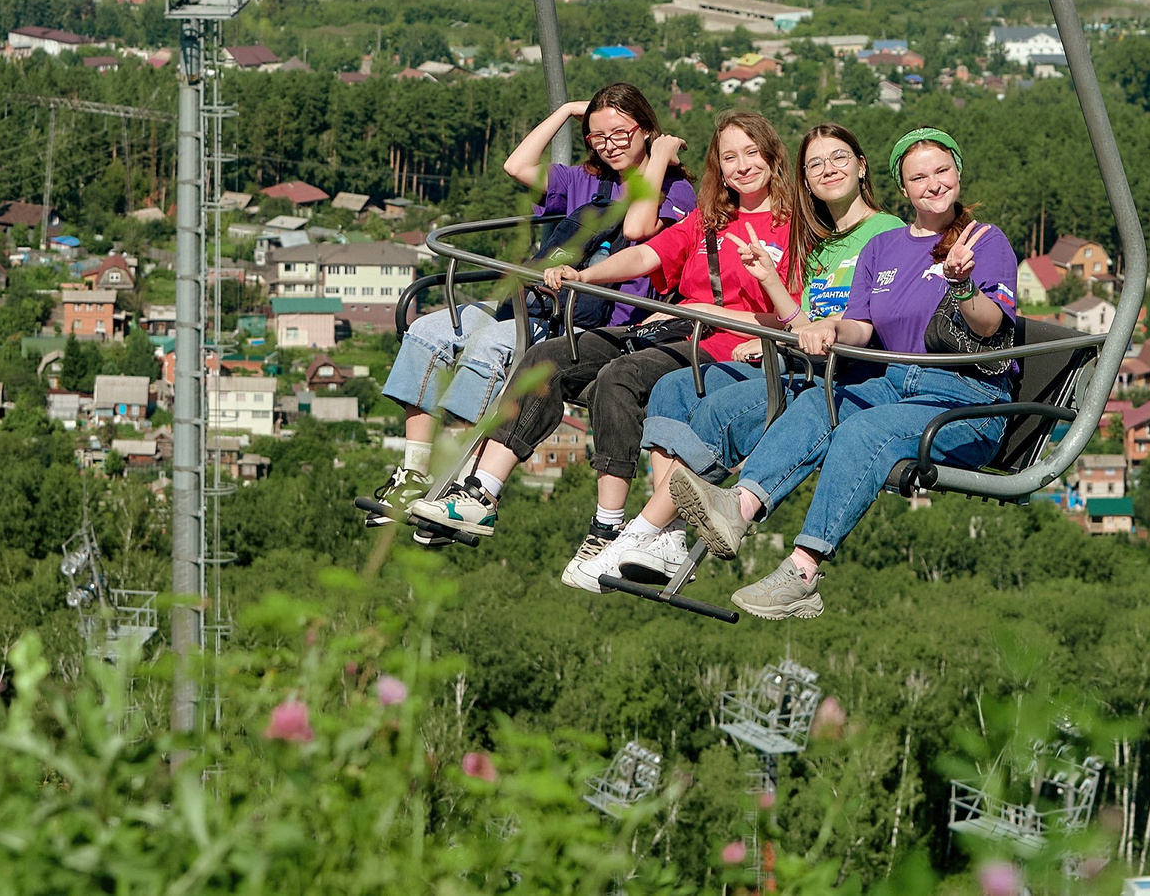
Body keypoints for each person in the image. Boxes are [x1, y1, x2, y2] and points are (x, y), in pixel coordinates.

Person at [416, 109, 810, 591]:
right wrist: (585, 275)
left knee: (620, 377)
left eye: (751, 153)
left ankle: (608, 524)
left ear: (772, 157)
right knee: (550, 357)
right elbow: (646, 254)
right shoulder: (710, 220)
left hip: (723, 346)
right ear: (718, 168)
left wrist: (716, 316)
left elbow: (795, 317)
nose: (742, 166)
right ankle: (482, 492)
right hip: (671, 329)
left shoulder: (795, 230)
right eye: (729, 157)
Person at [668, 128, 1020, 620]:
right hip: (894, 384)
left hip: (965, 398)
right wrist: (830, 328)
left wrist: (961, 286)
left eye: (941, 171)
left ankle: (803, 571)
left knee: (862, 430)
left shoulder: (985, 240)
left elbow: (992, 324)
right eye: (919, 176)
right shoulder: (885, 248)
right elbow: (861, 326)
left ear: (958, 173)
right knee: (819, 402)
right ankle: (739, 508)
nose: (933, 184)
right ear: (903, 187)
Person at [581, 124, 901, 586]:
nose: (828, 170)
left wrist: (785, 330)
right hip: (790, 355)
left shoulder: (880, 236)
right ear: (805, 179)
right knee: (672, 386)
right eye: (816, 164)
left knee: (714, 411)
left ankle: (641, 533)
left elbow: (864, 322)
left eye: (838, 159)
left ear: (861, 165)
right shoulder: (822, 240)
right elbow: (800, 314)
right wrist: (779, 325)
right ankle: (666, 536)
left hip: (830, 374)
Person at [363, 85, 690, 533]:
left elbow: (639, 227)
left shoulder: (674, 191)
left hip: (591, 322)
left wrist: (657, 156)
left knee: (491, 348)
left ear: (646, 129)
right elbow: (516, 165)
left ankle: (451, 482)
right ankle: (415, 472)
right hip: (531, 302)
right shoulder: (584, 181)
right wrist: (568, 110)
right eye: (598, 137)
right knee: (431, 331)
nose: (610, 146)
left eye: (621, 133)